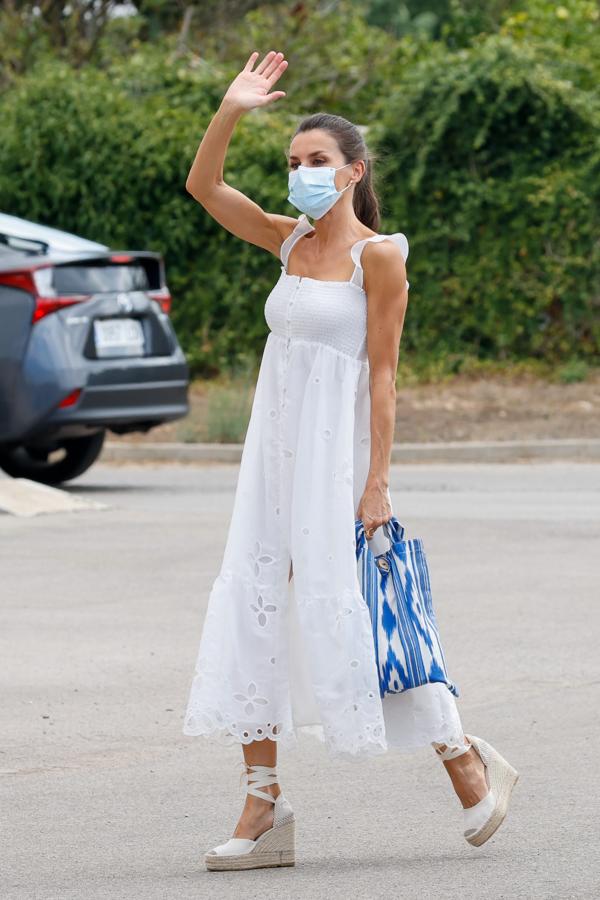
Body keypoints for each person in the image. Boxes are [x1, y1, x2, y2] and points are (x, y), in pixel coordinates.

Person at [182, 50, 519, 872]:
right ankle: (263, 809)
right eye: (293, 162)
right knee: (256, 600)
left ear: (353, 170)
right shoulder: (286, 239)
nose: (302, 173)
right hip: (276, 449)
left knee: (362, 609)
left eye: (317, 161)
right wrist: (230, 109)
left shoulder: (380, 256)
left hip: (340, 459)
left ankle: (464, 755)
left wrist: (377, 484)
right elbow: (205, 188)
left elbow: (385, 376)